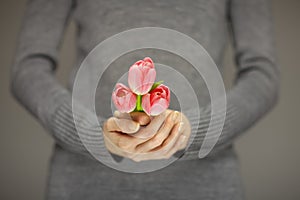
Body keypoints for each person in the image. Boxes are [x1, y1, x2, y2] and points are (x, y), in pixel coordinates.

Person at [11, 0, 279, 199]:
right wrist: (92, 134)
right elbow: (28, 68)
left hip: (203, 184)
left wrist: (194, 131)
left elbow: (262, 76)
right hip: (84, 183)